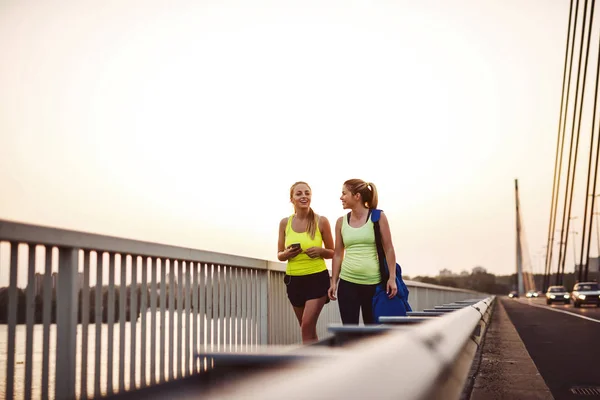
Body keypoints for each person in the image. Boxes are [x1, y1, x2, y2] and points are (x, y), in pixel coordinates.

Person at [328, 179, 398, 324]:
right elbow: (338, 254)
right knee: (349, 332)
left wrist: (392, 278)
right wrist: (334, 281)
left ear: (357, 196)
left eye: (344, 193)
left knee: (372, 334)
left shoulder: (377, 217)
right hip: (347, 284)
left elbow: (389, 248)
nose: (341, 197)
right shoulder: (340, 222)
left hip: (373, 285)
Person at [277, 181, 335, 343]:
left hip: (317, 279)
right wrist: (287, 253)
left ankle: (309, 363)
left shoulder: (321, 221)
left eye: (307, 193)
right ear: (292, 199)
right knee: (306, 329)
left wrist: (321, 251)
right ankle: (315, 363)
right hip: (294, 281)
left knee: (307, 325)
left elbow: (333, 252)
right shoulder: (284, 223)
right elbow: (279, 255)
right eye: (299, 193)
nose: (304, 196)